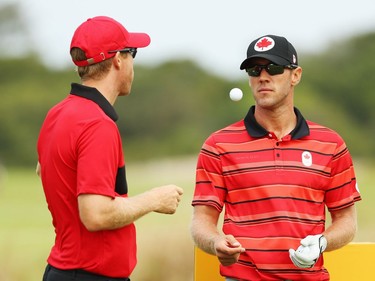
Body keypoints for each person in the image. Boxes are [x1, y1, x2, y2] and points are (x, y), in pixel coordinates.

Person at [190, 34, 361, 281]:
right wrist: (216, 241)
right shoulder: (218, 145)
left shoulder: (330, 144)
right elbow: (201, 221)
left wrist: (322, 242)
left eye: (274, 68)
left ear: (295, 75)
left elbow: (346, 221)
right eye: (254, 69)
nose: (263, 77)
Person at [36, 16, 183, 281]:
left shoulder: (56, 113)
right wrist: (154, 199)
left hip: (62, 271)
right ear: (118, 60)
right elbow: (96, 214)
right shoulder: (97, 124)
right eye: (132, 53)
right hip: (89, 275)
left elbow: (43, 168)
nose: (133, 63)